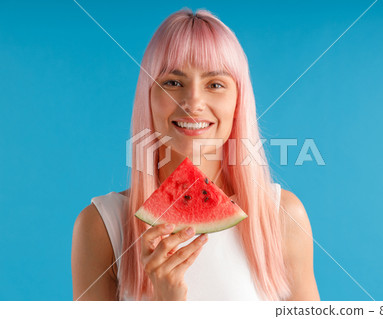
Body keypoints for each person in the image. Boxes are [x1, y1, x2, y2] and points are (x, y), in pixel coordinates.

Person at [71, 8, 320, 301]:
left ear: (239, 101)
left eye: (215, 84)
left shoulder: (283, 216)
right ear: (148, 96)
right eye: (173, 82)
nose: (193, 102)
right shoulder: (101, 225)